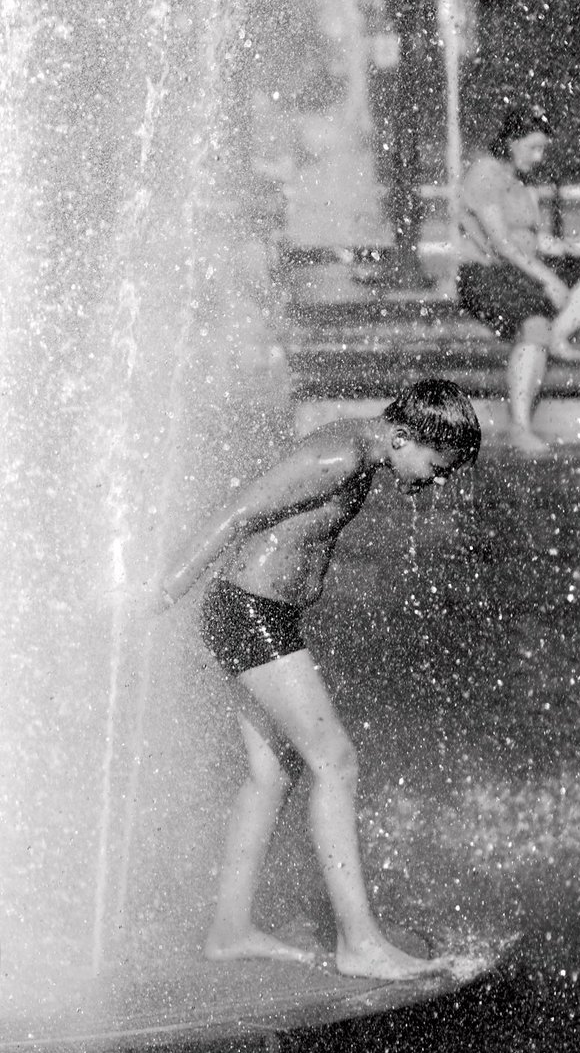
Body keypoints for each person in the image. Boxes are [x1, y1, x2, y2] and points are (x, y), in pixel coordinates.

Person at [160, 379, 481, 980]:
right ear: (405, 436)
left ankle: (229, 931)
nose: (437, 482)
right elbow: (236, 512)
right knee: (335, 761)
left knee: (270, 773)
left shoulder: (362, 453)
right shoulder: (340, 454)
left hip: (256, 611)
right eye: (437, 467)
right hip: (250, 612)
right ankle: (360, 944)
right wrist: (164, 591)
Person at [456, 105, 580, 455]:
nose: (538, 157)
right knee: (533, 323)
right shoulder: (485, 175)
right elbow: (502, 244)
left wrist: (567, 249)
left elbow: (530, 238)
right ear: (510, 142)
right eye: (533, 148)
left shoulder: (520, 181)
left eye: (542, 149)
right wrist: (549, 277)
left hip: (526, 265)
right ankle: (520, 427)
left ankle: (559, 334)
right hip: (489, 274)